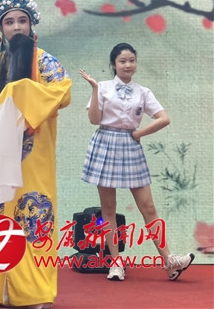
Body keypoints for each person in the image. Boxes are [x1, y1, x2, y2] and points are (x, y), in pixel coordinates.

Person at [0, 0, 72, 309]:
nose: (16, 27)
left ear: (31, 25)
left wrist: (22, 94)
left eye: (22, 20)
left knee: (34, 215)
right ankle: (0, 290)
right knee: (1, 216)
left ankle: (33, 292)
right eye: (9, 22)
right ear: (0, 28)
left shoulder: (44, 61)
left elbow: (62, 92)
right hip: (1, 155)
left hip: (34, 156)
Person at [79, 43, 194, 282]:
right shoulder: (103, 87)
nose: (128, 65)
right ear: (114, 64)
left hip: (131, 147)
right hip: (106, 143)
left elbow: (164, 118)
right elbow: (94, 120)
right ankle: (116, 263)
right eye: (122, 61)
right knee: (108, 209)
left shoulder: (143, 92)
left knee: (148, 207)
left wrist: (138, 134)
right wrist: (94, 88)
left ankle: (169, 261)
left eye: (132, 60)